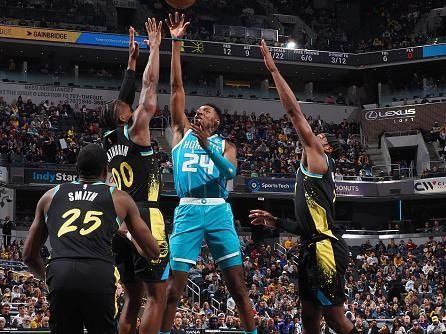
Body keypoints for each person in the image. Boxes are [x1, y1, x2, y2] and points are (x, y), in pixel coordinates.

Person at [159, 12, 256, 334]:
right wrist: (176, 42)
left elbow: (229, 173)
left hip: (218, 210)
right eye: (197, 111)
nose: (198, 111)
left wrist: (208, 147)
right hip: (187, 209)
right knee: (173, 289)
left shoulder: (225, 144)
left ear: (215, 122)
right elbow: (175, 86)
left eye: (206, 111)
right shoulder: (180, 132)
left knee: (237, 287)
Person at [249, 40, 354, 334]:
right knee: (309, 317)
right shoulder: (308, 170)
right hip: (312, 246)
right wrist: (276, 221)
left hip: (325, 249)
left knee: (334, 317)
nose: (314, 136)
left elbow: (295, 113)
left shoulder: (319, 161)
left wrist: (273, 70)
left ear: (328, 149)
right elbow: (306, 226)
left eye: (320, 136)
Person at [23, 144, 159, 334]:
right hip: (99, 272)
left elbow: (28, 255)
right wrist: (127, 233)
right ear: (106, 170)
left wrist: (49, 279)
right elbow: (153, 251)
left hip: (60, 272)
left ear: (76, 169)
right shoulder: (119, 198)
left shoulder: (49, 196)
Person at [103, 18, 169, 334]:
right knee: (157, 296)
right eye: (124, 107)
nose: (128, 105)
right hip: (145, 213)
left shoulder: (107, 139)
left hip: (120, 221)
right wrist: (155, 49)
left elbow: (125, 95)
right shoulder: (138, 130)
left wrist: (131, 62)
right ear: (123, 116)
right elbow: (149, 86)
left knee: (132, 298)